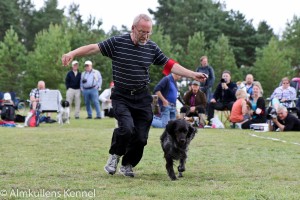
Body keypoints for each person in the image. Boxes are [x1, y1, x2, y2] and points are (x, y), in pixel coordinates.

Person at [61, 14, 207, 178]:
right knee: (127, 129)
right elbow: (93, 48)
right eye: (142, 32)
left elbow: (171, 65)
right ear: (133, 28)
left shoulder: (151, 47)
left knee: (141, 137)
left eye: (148, 32)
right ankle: (115, 155)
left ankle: (128, 164)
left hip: (142, 97)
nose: (145, 36)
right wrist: (72, 53)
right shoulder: (117, 43)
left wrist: (193, 74)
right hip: (121, 96)